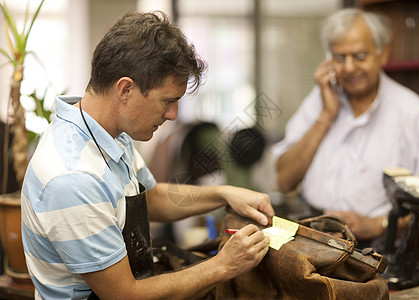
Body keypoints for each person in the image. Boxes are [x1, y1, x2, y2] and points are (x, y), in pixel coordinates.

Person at [21, 11, 273, 300]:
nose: (173, 114)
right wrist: (223, 265)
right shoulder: (73, 178)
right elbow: (125, 295)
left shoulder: (109, 132)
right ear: (126, 89)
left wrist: (225, 194)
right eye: (168, 101)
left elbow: (150, 200)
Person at [272, 8, 419, 246]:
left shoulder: (412, 113)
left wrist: (377, 224)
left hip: (376, 251)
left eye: (360, 56)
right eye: (340, 58)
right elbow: (285, 180)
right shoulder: (318, 100)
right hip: (312, 241)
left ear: (383, 53)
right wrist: (326, 115)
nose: (349, 68)